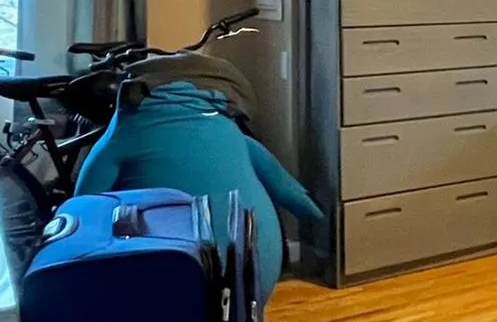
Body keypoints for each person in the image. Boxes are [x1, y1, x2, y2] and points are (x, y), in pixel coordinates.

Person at [74, 54, 319, 305]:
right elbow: (290, 192)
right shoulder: (233, 134)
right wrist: (329, 222)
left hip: (169, 277)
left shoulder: (123, 135)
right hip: (254, 268)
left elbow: (80, 208)